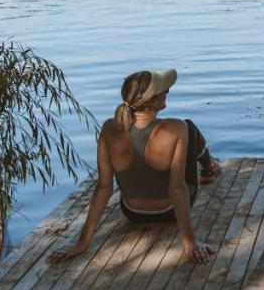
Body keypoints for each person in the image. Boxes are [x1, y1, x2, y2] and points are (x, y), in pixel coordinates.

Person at [49, 69, 221, 265]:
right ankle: (210, 168)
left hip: (132, 212)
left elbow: (104, 187)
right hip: (169, 211)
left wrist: (82, 242)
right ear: (155, 102)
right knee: (190, 126)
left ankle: (210, 167)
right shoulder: (177, 127)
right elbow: (177, 187)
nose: (167, 93)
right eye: (165, 91)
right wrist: (190, 242)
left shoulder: (108, 128)